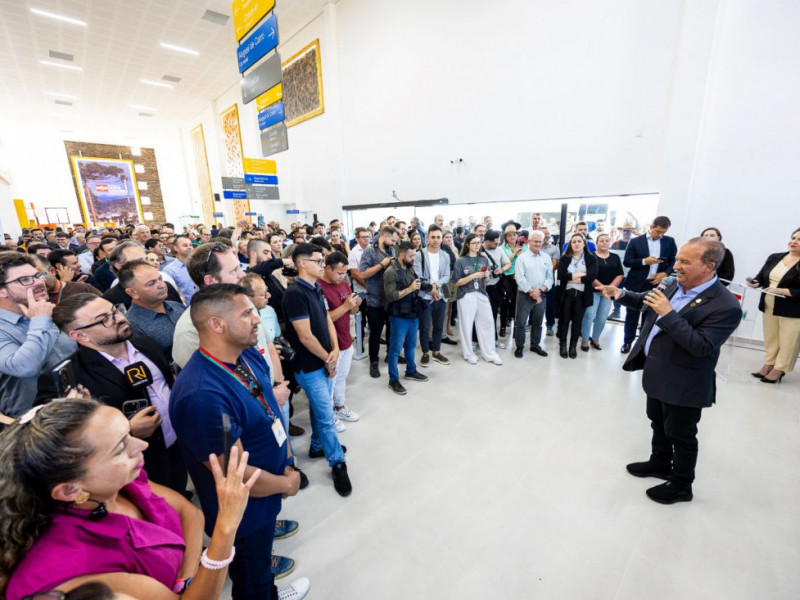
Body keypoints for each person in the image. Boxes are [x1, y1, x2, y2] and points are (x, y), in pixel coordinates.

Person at [0, 399, 307, 599]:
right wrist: (227, 525)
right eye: (119, 448)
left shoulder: (115, 482)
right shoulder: (76, 567)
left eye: (127, 434)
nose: (141, 446)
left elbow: (190, 513)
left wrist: (186, 582)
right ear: (69, 490)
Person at [170, 285, 309, 598]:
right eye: (246, 314)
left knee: (262, 566)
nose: (257, 319)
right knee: (251, 577)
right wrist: (285, 483)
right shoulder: (201, 395)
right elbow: (234, 474)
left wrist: (287, 459)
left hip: (268, 488)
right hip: (245, 512)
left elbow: (270, 409)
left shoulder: (245, 355)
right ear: (217, 325)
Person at [603, 238, 742, 504]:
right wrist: (621, 294)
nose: (676, 266)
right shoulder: (675, 284)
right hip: (658, 371)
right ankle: (659, 463)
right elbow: (648, 301)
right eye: (678, 259)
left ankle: (681, 485)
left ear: (709, 266)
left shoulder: (725, 305)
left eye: (685, 262)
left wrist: (668, 314)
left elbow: (700, 346)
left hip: (685, 382)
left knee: (681, 435)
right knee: (658, 422)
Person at [46, 294, 188, 494]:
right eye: (104, 319)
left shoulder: (146, 344)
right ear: (80, 336)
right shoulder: (72, 378)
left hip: (179, 448)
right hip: (136, 469)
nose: (120, 318)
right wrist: (128, 431)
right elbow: (62, 442)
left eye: (115, 310)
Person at [282, 243, 352, 497]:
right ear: (302, 263)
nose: (323, 265)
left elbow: (326, 320)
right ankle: (337, 463)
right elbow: (304, 336)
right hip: (310, 364)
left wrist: (335, 349)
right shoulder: (295, 293)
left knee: (318, 408)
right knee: (325, 414)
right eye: (319, 261)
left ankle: (317, 445)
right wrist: (327, 358)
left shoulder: (316, 288)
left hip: (324, 359)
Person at [0, 253, 77, 419]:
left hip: (76, 409)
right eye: (25, 280)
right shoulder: (40, 317)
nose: (39, 282)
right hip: (36, 425)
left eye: (37, 276)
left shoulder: (44, 311)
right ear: (2, 291)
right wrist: (40, 320)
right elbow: (23, 367)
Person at [747, 227, 800, 384]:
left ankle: (780, 368)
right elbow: (761, 277)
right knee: (771, 337)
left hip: (792, 308)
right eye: (793, 238)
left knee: (788, 340)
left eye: (799, 240)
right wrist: (755, 282)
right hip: (769, 303)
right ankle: (769, 363)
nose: (794, 241)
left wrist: (782, 290)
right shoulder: (775, 257)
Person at [621, 216, 677, 353]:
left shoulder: (669, 241)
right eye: (658, 231)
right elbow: (627, 262)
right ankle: (627, 342)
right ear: (651, 227)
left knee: (650, 316)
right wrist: (644, 261)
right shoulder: (635, 241)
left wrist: (665, 274)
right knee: (632, 315)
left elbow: (673, 262)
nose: (661, 235)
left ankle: (643, 344)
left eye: (664, 232)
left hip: (657, 285)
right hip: (636, 284)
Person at [318, 252, 362, 420]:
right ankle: (330, 416)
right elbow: (323, 319)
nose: (343, 277)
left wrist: (355, 305)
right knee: (330, 382)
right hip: (330, 344)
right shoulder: (318, 288)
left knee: (342, 378)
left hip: (345, 339)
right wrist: (346, 306)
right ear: (328, 269)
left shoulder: (344, 283)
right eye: (339, 273)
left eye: (344, 273)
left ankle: (340, 406)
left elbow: (352, 311)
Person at [383, 242, 429, 395]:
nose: (413, 258)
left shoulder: (410, 268)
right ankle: (393, 379)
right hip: (399, 316)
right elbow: (390, 296)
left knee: (411, 345)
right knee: (395, 349)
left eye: (414, 255)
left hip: (413, 313)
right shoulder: (391, 272)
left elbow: (416, 284)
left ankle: (411, 370)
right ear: (401, 255)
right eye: (411, 256)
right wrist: (410, 289)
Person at [118, 260, 186, 362]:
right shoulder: (133, 327)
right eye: (151, 283)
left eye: (160, 279)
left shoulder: (177, 306)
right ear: (132, 292)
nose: (162, 285)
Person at [453, 233, 503, 365]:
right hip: (466, 294)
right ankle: (468, 353)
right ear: (467, 244)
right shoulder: (461, 261)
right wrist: (473, 276)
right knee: (466, 325)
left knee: (487, 323)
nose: (477, 245)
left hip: (481, 293)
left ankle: (490, 353)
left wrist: (486, 276)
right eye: (474, 243)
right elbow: (457, 282)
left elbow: (486, 280)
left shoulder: (484, 259)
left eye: (478, 242)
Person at [359, 226, 398, 378]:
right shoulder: (370, 252)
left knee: (391, 330)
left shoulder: (392, 251)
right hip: (375, 300)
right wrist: (382, 264)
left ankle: (390, 355)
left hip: (390, 298)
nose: (394, 243)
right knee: (375, 333)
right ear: (384, 236)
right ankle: (374, 362)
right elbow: (362, 274)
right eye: (392, 240)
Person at [557, 233, 598, 359]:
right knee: (564, 321)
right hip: (566, 294)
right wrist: (581, 275)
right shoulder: (565, 258)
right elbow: (561, 275)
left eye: (579, 241)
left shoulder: (591, 258)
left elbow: (591, 276)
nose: (576, 244)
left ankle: (573, 346)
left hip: (582, 295)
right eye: (573, 242)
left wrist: (572, 278)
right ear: (570, 244)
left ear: (584, 243)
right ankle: (563, 345)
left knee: (577, 322)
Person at [415, 224, 451, 367]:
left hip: (440, 295)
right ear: (428, 238)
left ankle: (436, 351)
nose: (436, 240)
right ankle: (425, 352)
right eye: (433, 237)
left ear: (441, 239)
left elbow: (447, 276)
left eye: (438, 237)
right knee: (424, 327)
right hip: (424, 296)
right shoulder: (419, 255)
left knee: (438, 326)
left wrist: (435, 286)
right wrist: (429, 289)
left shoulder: (445, 255)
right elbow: (418, 275)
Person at [513, 231, 553, 358]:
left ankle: (535, 345)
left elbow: (550, 278)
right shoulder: (522, 258)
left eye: (540, 241)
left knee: (537, 322)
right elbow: (519, 278)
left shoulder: (546, 258)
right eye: (535, 241)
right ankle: (519, 347)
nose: (538, 244)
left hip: (541, 294)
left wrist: (539, 291)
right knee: (521, 323)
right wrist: (532, 292)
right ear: (529, 242)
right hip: (525, 295)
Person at [580, 233, 624, 351]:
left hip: (609, 293)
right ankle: (585, 340)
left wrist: (610, 288)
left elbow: (620, 274)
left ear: (610, 243)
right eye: (601, 241)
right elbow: (588, 275)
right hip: (592, 291)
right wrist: (603, 288)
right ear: (596, 243)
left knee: (602, 316)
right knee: (589, 315)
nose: (604, 242)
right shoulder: (590, 257)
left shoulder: (615, 257)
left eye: (607, 240)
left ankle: (595, 339)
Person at [481, 230, 512, 346]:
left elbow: (508, 263)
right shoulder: (479, 250)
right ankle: (476, 339)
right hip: (481, 287)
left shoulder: (499, 250)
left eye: (498, 243)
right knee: (479, 314)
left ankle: (493, 339)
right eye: (495, 243)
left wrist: (502, 270)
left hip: (495, 286)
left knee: (493, 313)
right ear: (487, 241)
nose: (497, 245)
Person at [499, 226, 523, 338]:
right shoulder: (502, 248)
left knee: (517, 303)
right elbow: (503, 262)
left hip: (519, 279)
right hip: (506, 278)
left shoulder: (524, 247)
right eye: (510, 235)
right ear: (506, 237)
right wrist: (515, 253)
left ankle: (515, 327)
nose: (512, 237)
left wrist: (520, 254)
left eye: (514, 234)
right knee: (505, 303)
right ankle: (503, 327)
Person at [162, 235, 200, 304]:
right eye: (185, 245)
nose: (189, 247)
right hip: (184, 307)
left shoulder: (199, 265)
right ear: (176, 248)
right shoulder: (169, 270)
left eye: (190, 245)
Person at [540, 227, 560, 336]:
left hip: (549, 281)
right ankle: (531, 323)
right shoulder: (533, 248)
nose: (547, 235)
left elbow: (554, 266)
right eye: (544, 234)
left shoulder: (554, 249)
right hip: (534, 281)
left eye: (548, 234)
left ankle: (549, 325)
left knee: (550, 305)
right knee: (533, 303)